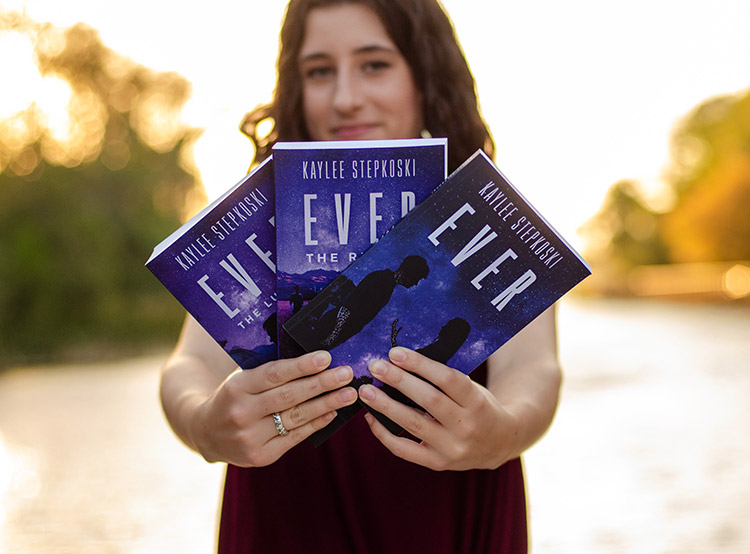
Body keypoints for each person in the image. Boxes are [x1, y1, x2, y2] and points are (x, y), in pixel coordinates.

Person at [160, 1, 562, 552]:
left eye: (375, 64)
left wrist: (501, 433)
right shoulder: (267, 211)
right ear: (296, 86)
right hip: (290, 513)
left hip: (453, 503)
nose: (346, 97)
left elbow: (535, 368)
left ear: (425, 76)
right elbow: (189, 366)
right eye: (320, 71)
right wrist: (206, 426)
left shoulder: (482, 212)